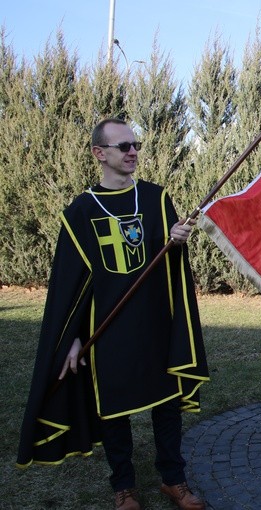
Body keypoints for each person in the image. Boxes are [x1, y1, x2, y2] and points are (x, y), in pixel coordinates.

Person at [17, 118, 210, 510]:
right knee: (113, 410)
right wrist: (72, 339)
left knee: (167, 403)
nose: (133, 151)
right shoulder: (81, 212)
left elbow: (169, 267)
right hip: (107, 329)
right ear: (99, 153)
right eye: (123, 146)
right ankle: (124, 486)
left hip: (156, 324)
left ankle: (173, 479)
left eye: (135, 144)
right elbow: (70, 285)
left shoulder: (157, 198)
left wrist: (176, 242)